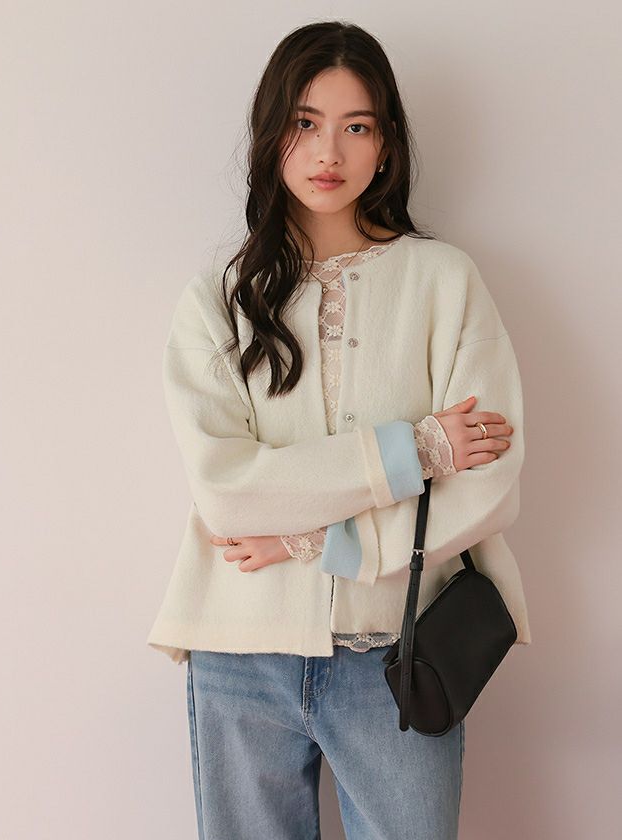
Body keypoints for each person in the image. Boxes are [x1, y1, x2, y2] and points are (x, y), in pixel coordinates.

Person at [147, 20, 531, 840]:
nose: (330, 151)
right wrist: (416, 449)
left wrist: (323, 541)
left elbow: (489, 483)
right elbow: (227, 492)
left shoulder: (445, 281)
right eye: (305, 122)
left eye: (356, 126)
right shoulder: (217, 299)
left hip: (400, 650)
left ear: (386, 145)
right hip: (240, 648)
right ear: (271, 135)